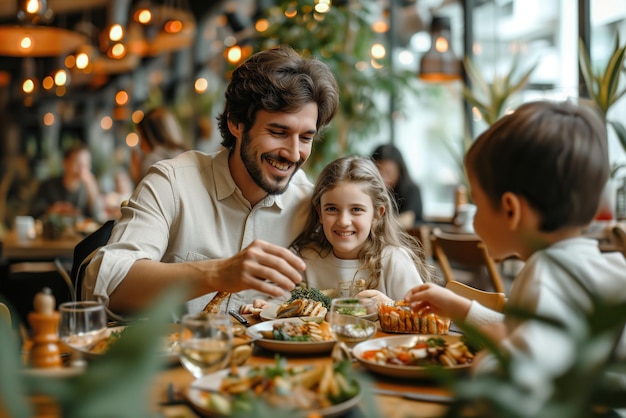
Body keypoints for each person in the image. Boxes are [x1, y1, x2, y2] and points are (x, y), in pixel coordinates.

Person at [82, 45, 340, 320]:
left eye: (305, 138)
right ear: (236, 124)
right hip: (178, 359)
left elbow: (363, 262)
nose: (292, 153)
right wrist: (217, 273)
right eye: (278, 132)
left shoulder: (309, 202)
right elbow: (106, 286)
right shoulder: (171, 182)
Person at [404, 100, 626, 410]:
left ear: (511, 210)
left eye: (478, 203)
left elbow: (521, 384)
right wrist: (462, 309)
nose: (476, 215)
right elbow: (536, 334)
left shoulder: (549, 273)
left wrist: (491, 358)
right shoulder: (598, 260)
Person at [241, 156, 434, 313]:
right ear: (320, 213)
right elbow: (281, 303)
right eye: (332, 209)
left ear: (377, 214)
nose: (343, 221)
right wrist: (267, 307)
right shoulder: (307, 258)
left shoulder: (393, 260)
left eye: (357, 209)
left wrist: (390, 306)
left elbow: (425, 316)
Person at [30, 143, 105, 223]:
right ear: (65, 163)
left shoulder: (88, 188)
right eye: (78, 164)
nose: (82, 170)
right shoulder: (48, 186)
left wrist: (92, 188)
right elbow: (34, 212)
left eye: (86, 165)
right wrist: (53, 210)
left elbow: (97, 218)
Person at [129, 106, 188, 185]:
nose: (140, 145)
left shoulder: (152, 161)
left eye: (141, 137)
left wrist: (136, 175)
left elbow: (143, 195)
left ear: (150, 136)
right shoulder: (186, 155)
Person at [371, 144, 423, 228]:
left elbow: (407, 220)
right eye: (379, 173)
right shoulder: (369, 190)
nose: (383, 178)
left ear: (399, 171)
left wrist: (377, 224)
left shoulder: (411, 190)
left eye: (389, 172)